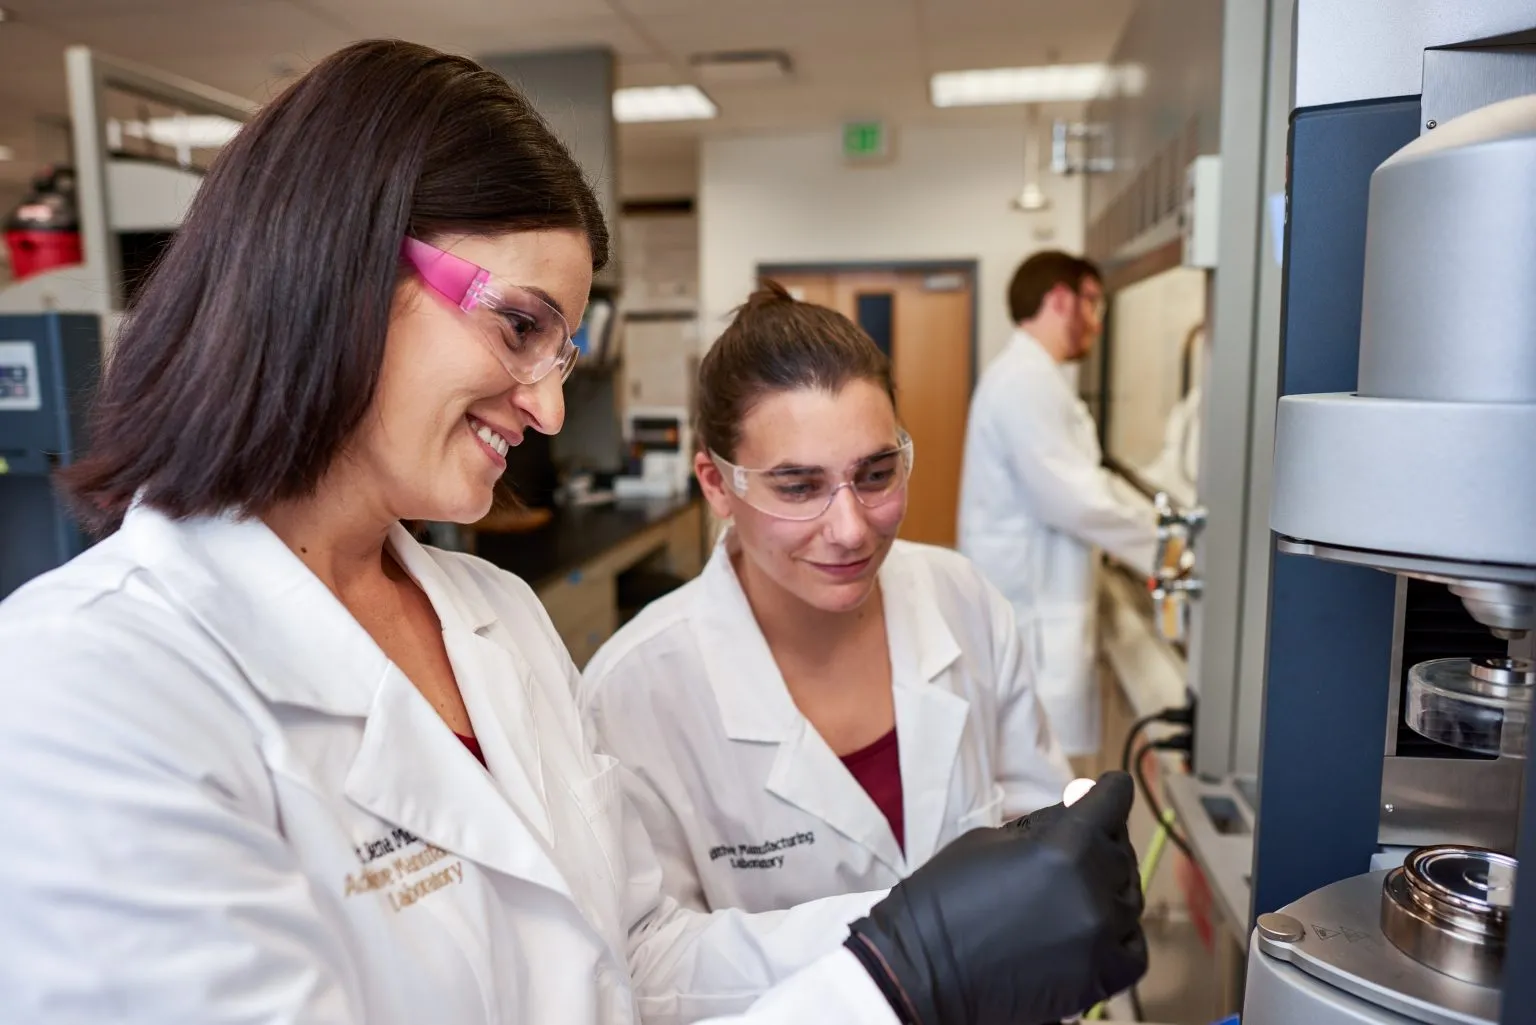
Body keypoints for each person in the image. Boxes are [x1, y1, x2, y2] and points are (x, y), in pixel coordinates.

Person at [0, 41, 1146, 1025]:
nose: (548, 407)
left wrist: (923, 920)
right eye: (519, 326)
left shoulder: (493, 618)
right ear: (333, 262)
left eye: (561, 353)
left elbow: (634, 955)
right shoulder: (85, 686)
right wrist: (899, 978)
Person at [579, 284, 1073, 915]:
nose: (850, 529)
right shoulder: (634, 692)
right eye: (797, 486)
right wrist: (889, 965)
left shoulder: (963, 601)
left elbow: (1042, 832)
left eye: (875, 475)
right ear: (717, 485)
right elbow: (655, 963)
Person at [957, 252, 1158, 758]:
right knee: (1039, 770)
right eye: (1093, 303)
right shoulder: (1025, 381)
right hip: (1034, 609)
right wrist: (1168, 546)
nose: (1096, 321)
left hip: (1039, 598)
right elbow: (1074, 499)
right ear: (1060, 299)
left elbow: (1083, 482)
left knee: (1042, 762)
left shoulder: (1036, 377)